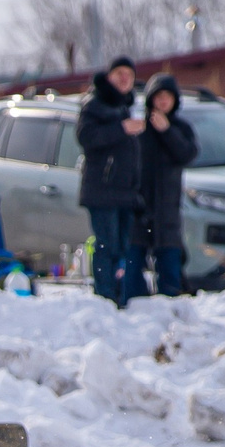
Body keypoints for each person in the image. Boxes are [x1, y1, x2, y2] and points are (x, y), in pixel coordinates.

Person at [77, 56, 146, 306]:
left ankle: (119, 295)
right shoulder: (95, 104)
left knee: (122, 247)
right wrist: (122, 129)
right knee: (106, 246)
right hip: (102, 190)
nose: (125, 79)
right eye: (119, 74)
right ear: (109, 77)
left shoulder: (125, 105)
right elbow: (86, 137)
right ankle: (105, 296)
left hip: (126, 192)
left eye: (129, 74)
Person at [135, 73, 198, 299]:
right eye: (158, 96)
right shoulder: (140, 128)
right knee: (134, 261)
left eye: (167, 96)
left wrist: (167, 130)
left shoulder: (180, 128)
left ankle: (171, 303)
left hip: (168, 208)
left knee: (170, 261)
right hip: (140, 207)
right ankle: (134, 305)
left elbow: (188, 154)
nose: (162, 101)